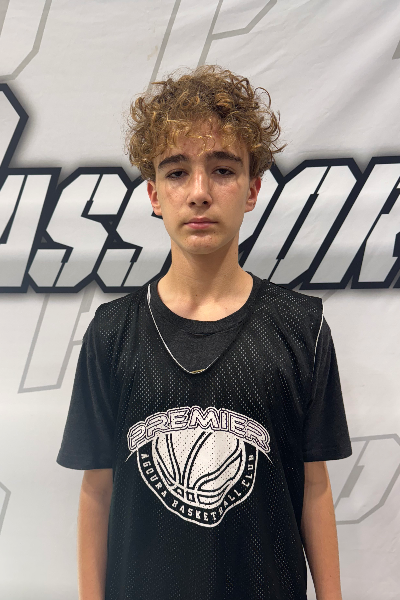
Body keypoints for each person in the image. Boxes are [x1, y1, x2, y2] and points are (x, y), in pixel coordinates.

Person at [57, 65, 352, 600]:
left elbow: (314, 487)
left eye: (222, 170)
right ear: (153, 194)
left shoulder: (301, 328)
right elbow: (96, 491)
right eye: (177, 172)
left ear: (252, 189)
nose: (198, 192)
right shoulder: (111, 332)